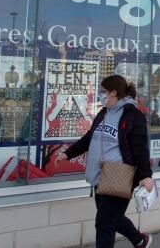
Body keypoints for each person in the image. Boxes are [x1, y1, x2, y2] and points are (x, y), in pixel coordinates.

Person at [55, 75, 154, 248]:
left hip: (119, 175)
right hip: (99, 175)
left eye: (103, 92)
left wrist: (145, 175)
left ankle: (139, 240)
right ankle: (139, 240)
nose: (100, 95)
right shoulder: (104, 113)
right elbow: (89, 138)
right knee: (111, 218)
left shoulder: (133, 115)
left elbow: (140, 148)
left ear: (113, 92)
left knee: (104, 224)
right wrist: (68, 154)